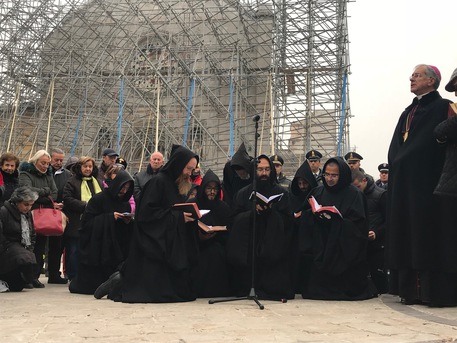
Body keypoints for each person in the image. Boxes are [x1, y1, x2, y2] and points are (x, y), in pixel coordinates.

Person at [94, 145, 200, 303]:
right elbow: (147, 214)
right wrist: (177, 218)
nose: (189, 173)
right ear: (178, 165)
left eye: (192, 170)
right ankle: (118, 281)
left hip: (169, 239)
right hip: (153, 240)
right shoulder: (158, 182)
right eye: (187, 169)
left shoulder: (176, 183)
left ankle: (121, 276)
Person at [387, 64, 455, 307]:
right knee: (407, 235)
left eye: (417, 75)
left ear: (431, 80)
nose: (411, 78)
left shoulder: (444, 107)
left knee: (428, 237)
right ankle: (409, 290)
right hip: (405, 186)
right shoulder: (408, 111)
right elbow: (398, 145)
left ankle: (431, 292)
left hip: (430, 185)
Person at [299, 157, 377, 300]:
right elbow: (305, 214)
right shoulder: (318, 192)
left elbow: (359, 226)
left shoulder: (355, 194)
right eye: (327, 174)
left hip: (343, 250)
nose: (329, 179)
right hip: (322, 246)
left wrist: (337, 222)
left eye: (334, 175)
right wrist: (313, 215)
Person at [226, 154, 293, 300]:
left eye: (267, 169)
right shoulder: (243, 193)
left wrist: (271, 214)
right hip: (250, 241)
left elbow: (289, 220)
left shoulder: (282, 193)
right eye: (260, 169)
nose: (264, 173)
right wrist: (251, 213)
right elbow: (233, 220)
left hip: (272, 243)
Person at [69, 170, 134, 295]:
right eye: (122, 187)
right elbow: (87, 224)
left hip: (116, 245)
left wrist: (127, 221)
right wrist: (110, 218)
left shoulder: (124, 203)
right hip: (98, 246)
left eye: (127, 188)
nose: (124, 191)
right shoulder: (98, 199)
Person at [18, 150, 58, 288]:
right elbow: (27, 191)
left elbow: (54, 193)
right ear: (35, 162)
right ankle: (25, 277)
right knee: (27, 246)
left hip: (43, 216)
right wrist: (45, 192)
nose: (45, 166)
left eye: (47, 163)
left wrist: (40, 194)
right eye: (43, 163)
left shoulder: (48, 175)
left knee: (40, 247)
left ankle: (34, 276)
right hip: (28, 214)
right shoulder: (25, 174)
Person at [191, 169, 232, 298]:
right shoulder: (194, 204)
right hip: (197, 245)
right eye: (209, 188)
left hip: (217, 244)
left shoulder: (223, 207)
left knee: (216, 254)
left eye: (215, 189)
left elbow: (228, 228)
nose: (212, 192)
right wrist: (200, 236)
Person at [62, 156, 102, 281]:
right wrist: (85, 205)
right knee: (74, 250)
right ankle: (72, 275)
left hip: (93, 221)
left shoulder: (98, 182)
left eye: (90, 166)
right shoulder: (72, 181)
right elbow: (67, 199)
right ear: (80, 167)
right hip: (76, 221)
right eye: (85, 166)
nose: (88, 169)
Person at [352, 170, 388, 294]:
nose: (356, 190)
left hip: (377, 244)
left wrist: (376, 233)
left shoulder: (380, 195)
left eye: (358, 187)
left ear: (364, 181)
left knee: (378, 276)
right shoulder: (354, 196)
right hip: (359, 243)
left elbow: (390, 220)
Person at [0, 187, 38, 291]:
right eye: (26, 204)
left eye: (31, 205)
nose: (29, 208)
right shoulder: (4, 212)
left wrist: (29, 249)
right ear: (17, 202)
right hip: (8, 248)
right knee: (23, 257)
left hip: (23, 247)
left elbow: (32, 233)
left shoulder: (27, 214)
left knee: (19, 285)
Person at [288, 160, 318, 294]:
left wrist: (305, 214)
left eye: (305, 183)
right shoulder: (292, 197)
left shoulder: (317, 194)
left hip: (312, 238)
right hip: (296, 237)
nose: (302, 186)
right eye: (299, 183)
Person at [48, 148, 72, 284]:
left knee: (57, 245)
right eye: (56, 160)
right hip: (44, 211)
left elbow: (68, 192)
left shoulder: (67, 175)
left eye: (61, 160)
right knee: (39, 245)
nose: (58, 163)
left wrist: (64, 203)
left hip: (60, 214)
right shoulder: (45, 172)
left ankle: (54, 274)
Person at [221, 142, 253, 209]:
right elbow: (227, 188)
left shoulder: (253, 167)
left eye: (243, 174)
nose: (241, 176)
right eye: (239, 174)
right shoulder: (228, 169)